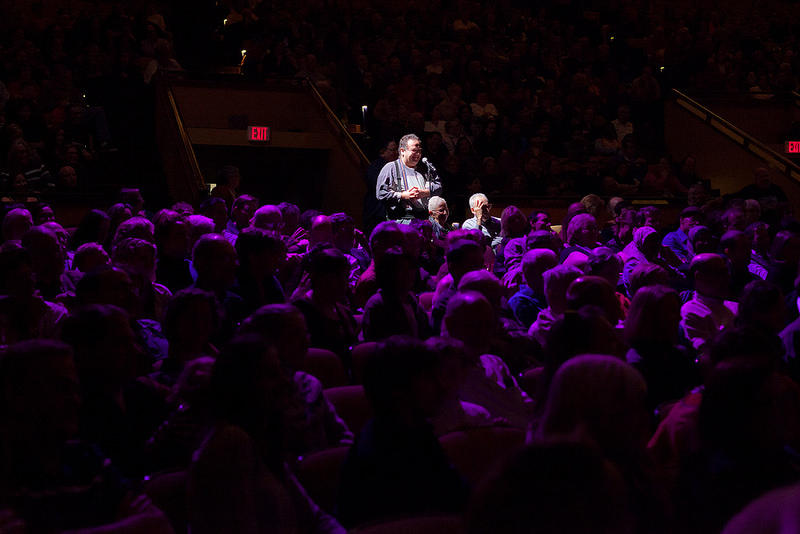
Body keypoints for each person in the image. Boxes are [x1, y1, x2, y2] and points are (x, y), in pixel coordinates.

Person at [336, 336, 469, 528]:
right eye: (430, 378)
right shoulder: (377, 457)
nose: (442, 387)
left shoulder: (418, 432)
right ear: (399, 388)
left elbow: (461, 496)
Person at [376, 133, 442, 222]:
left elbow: (439, 187)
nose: (418, 154)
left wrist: (425, 192)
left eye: (420, 151)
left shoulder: (424, 168)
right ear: (402, 151)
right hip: (402, 221)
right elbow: (381, 194)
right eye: (414, 150)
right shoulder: (391, 168)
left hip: (424, 220)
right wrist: (403, 195)